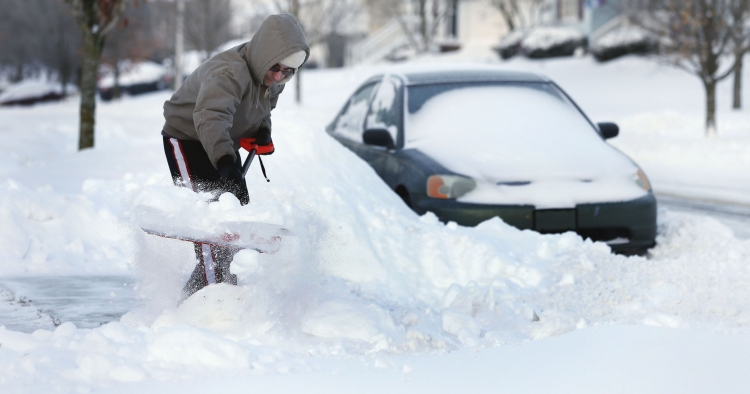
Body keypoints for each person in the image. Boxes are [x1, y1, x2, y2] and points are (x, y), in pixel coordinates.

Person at [161, 13, 309, 299]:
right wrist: (226, 162)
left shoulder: (273, 74)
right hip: (188, 138)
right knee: (211, 227)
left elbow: (264, 105)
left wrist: (262, 130)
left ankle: (207, 294)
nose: (279, 76)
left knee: (235, 218)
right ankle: (213, 303)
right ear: (265, 55)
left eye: (288, 72)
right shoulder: (229, 73)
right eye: (276, 68)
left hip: (221, 142)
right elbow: (211, 116)